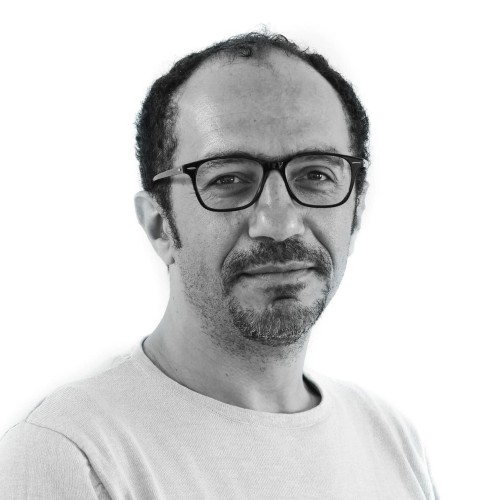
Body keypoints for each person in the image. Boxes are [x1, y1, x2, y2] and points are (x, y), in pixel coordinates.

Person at [0, 32, 438, 499]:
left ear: (356, 212)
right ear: (159, 225)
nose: (280, 224)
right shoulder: (72, 456)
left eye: (316, 174)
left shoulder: (388, 438)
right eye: (229, 179)